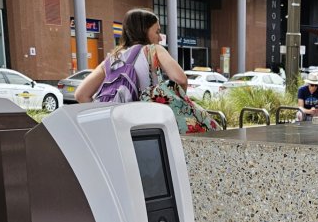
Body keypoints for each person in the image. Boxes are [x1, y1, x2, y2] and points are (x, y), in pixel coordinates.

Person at [74, 7, 219, 134]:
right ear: (144, 31)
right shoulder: (153, 50)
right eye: (157, 32)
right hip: (151, 127)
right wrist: (177, 105)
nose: (160, 38)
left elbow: (81, 95)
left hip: (121, 130)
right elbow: (180, 79)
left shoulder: (112, 59)